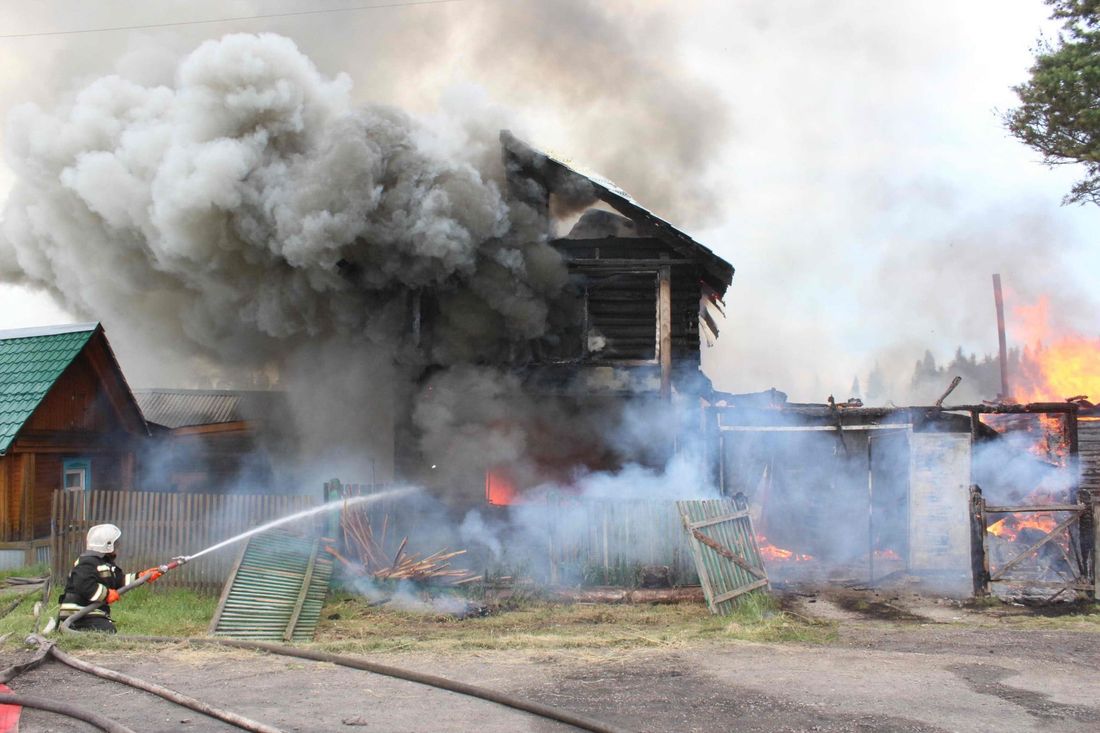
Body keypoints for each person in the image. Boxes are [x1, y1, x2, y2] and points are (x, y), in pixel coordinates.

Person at [58, 524, 163, 633]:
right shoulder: (87, 562)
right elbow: (84, 584)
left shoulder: (105, 564)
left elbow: (119, 581)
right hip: (77, 612)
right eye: (116, 543)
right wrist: (106, 594)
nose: (118, 546)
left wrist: (141, 576)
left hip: (90, 612)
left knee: (108, 629)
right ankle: (72, 629)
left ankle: (73, 630)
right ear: (107, 545)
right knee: (107, 631)